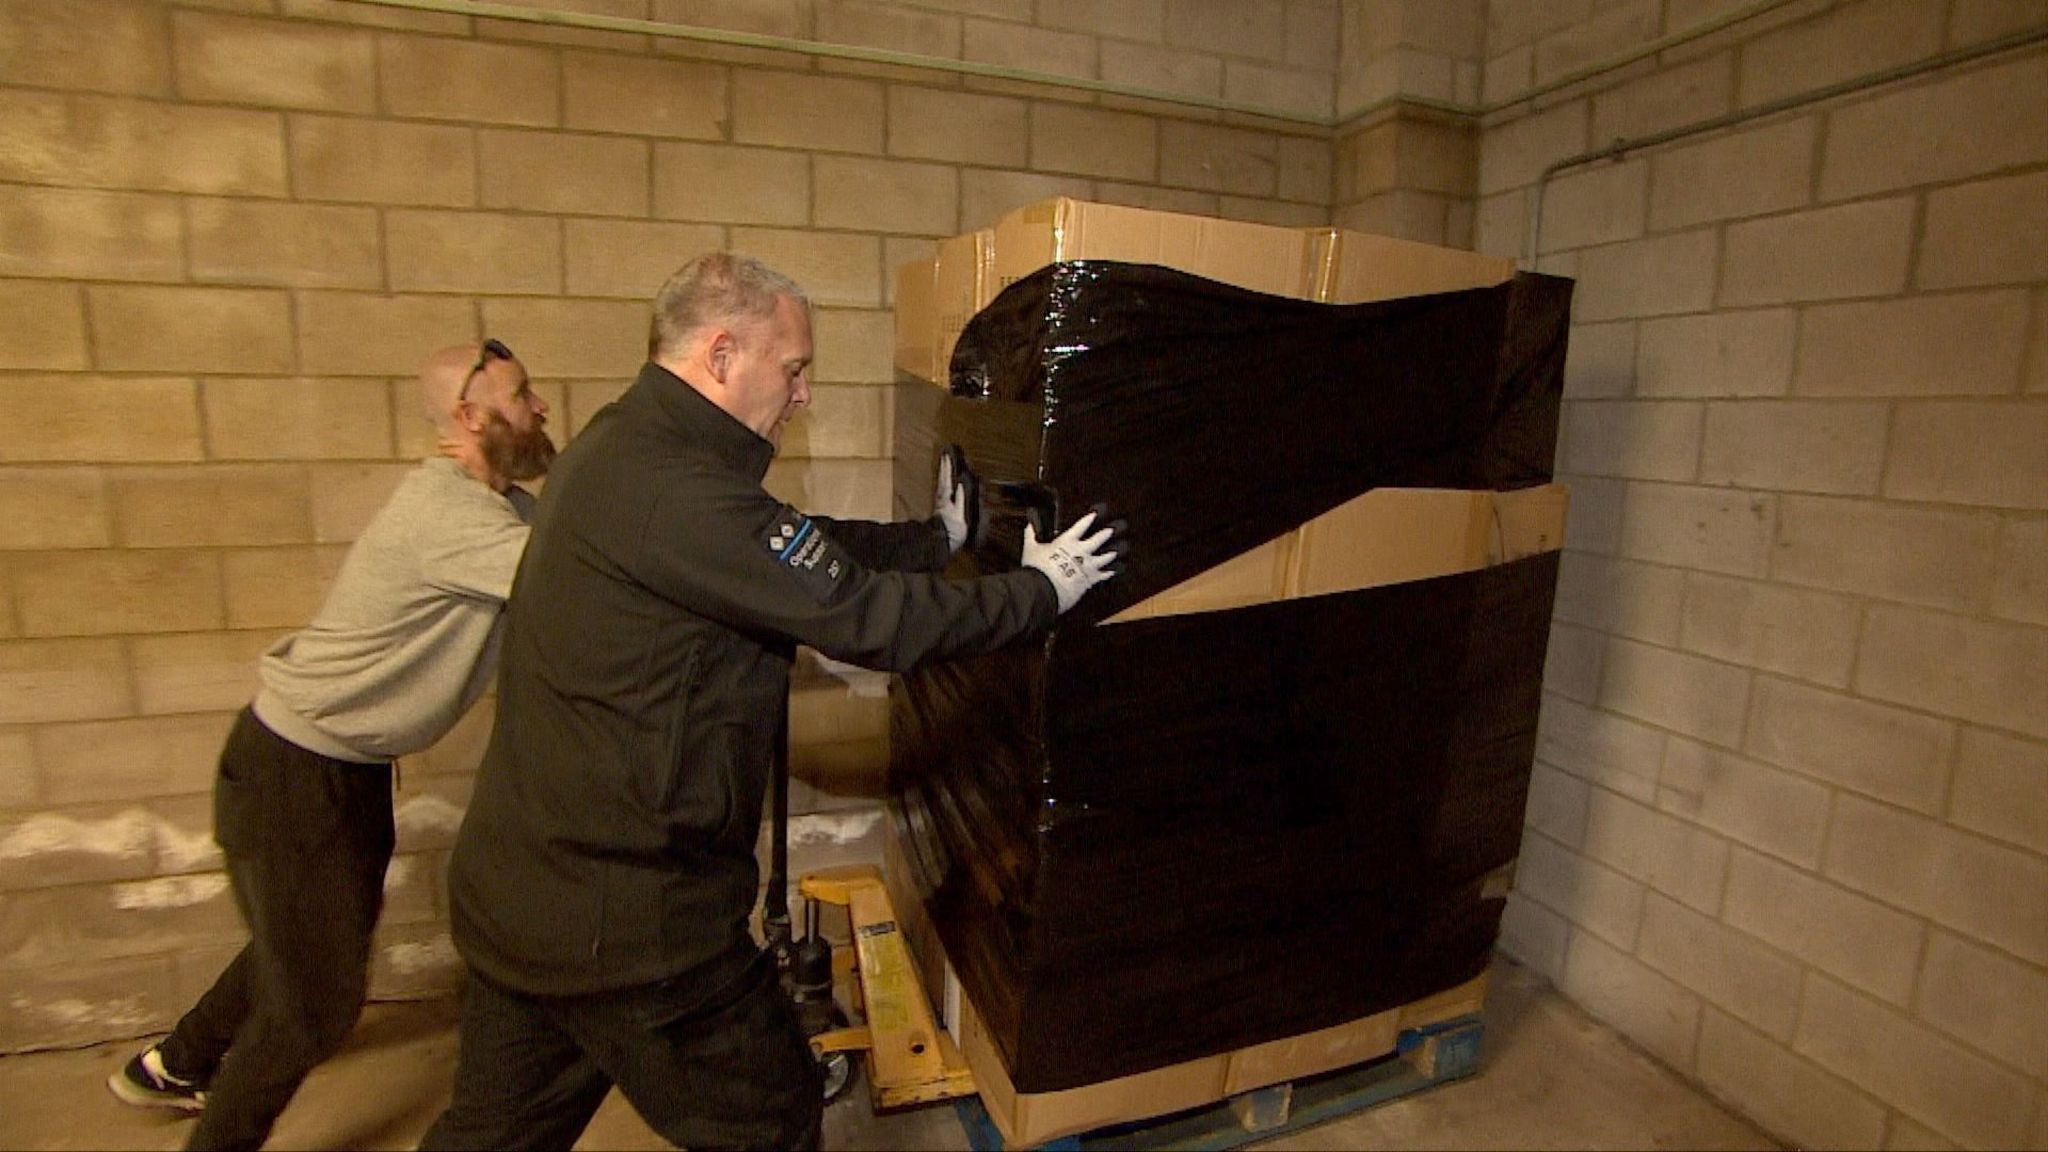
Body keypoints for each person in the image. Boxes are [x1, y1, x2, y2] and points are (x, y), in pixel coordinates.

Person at [419, 252, 1123, 1151]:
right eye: (793, 369)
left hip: (525, 895)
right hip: (631, 925)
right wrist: (1040, 592)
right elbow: (869, 622)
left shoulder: (631, 448)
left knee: (492, 1139)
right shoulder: (677, 490)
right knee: (771, 1116)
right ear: (721, 354)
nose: (803, 396)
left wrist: (929, 539)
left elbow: (789, 548)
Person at [106, 340, 556, 1152]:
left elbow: (564, 527)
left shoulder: (501, 510)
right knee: (314, 1002)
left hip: (337, 767)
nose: (542, 407)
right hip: (295, 770)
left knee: (313, 938)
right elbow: (584, 571)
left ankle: (174, 1064)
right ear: (469, 417)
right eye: (522, 395)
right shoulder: (448, 518)